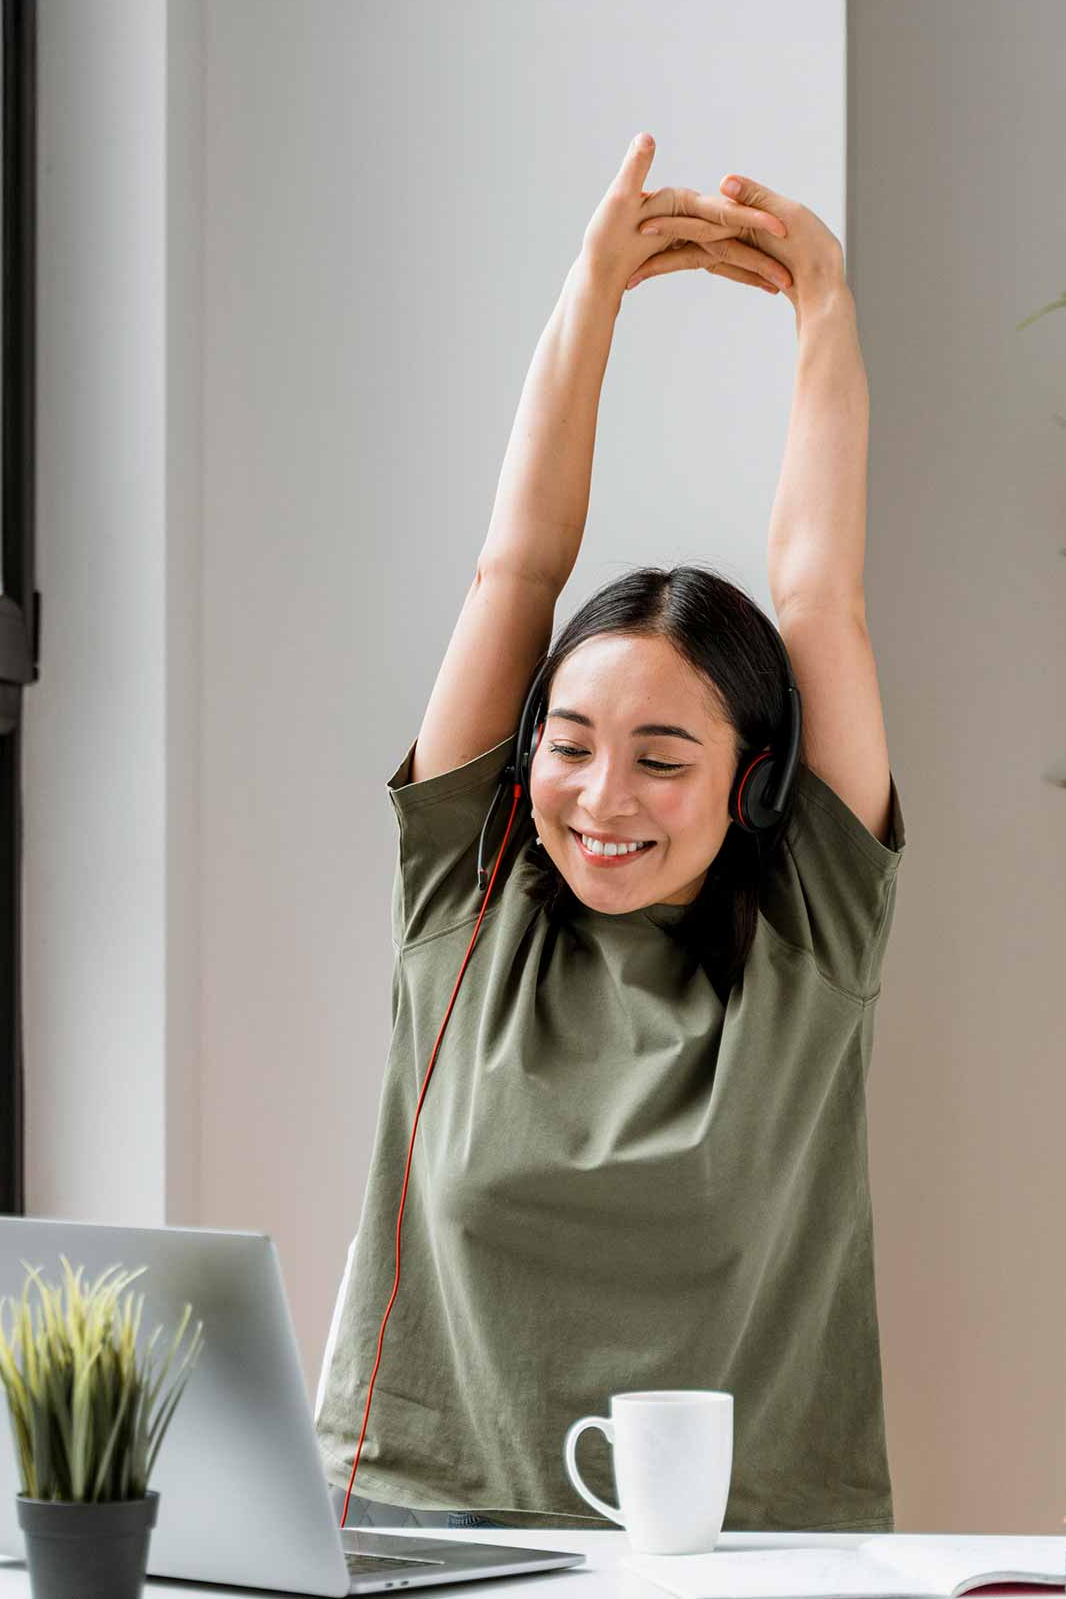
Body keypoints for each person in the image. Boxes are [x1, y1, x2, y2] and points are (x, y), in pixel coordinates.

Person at [317, 134, 901, 1535]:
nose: (599, 794)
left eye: (659, 757)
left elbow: (818, 596)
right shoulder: (466, 889)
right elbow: (515, 561)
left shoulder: (812, 926)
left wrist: (823, 304)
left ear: (753, 780)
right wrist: (592, 292)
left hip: (746, 1558)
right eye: (569, 746)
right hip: (416, 1529)